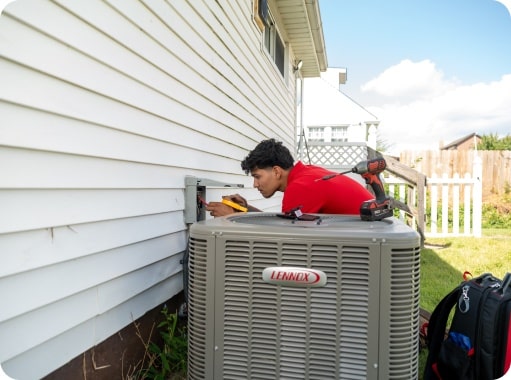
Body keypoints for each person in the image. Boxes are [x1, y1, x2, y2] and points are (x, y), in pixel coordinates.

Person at [206, 138, 374, 217]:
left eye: (257, 176)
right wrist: (245, 210)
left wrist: (230, 217)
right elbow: (286, 224)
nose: (255, 184)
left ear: (277, 171)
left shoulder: (300, 187)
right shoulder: (306, 174)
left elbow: (284, 241)